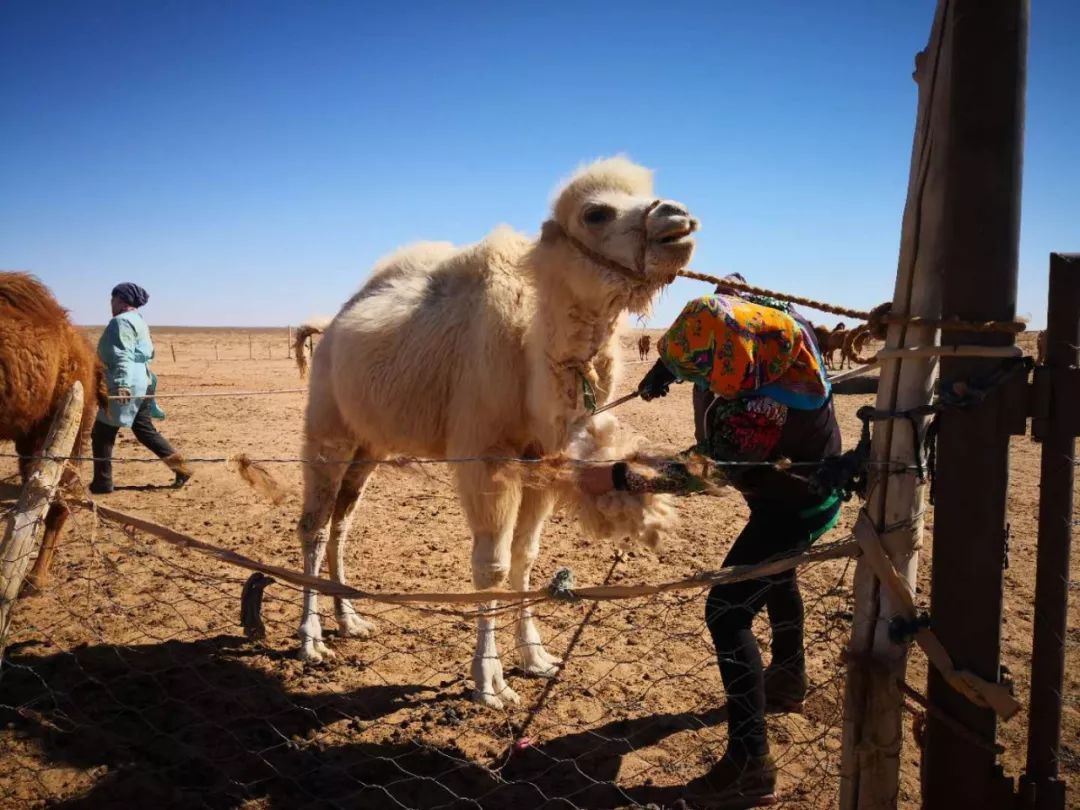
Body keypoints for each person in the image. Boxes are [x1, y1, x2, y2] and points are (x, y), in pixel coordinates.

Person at [580, 279, 841, 808]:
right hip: (781, 493)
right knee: (775, 574)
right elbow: (726, 310)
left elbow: (708, 471)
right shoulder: (764, 331)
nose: (710, 383)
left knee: (727, 610)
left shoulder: (760, 408)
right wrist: (669, 366)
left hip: (798, 503)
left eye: (711, 375)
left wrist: (618, 480)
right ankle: (788, 678)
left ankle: (751, 765)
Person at [89, 283, 193, 494]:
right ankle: (181, 468)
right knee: (144, 430)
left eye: (112, 299)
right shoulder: (139, 321)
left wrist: (121, 384)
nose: (110, 303)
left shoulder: (121, 322)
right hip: (141, 381)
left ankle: (102, 482)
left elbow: (122, 355)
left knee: (102, 433)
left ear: (120, 300)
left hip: (127, 384)